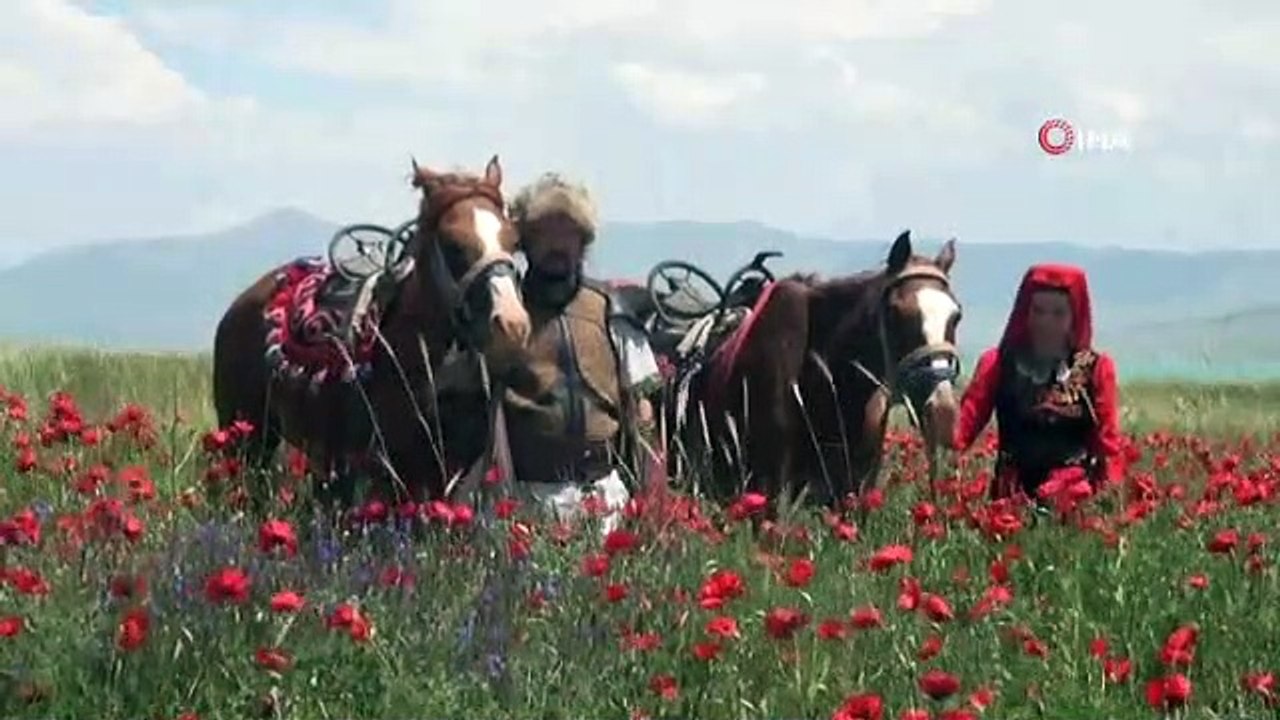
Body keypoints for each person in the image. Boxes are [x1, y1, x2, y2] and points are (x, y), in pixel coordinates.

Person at [499, 172, 662, 533]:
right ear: (526, 240)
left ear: (583, 239)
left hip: (605, 497)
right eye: (545, 232)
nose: (558, 244)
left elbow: (642, 404)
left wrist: (654, 496)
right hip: (529, 500)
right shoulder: (507, 313)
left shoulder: (609, 309)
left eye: (568, 232)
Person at [952, 263, 1124, 502]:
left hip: (1072, 500)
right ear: (1026, 313)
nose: (1046, 322)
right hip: (1010, 501)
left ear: (1074, 317)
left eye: (1058, 314)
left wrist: (1110, 499)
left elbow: (1108, 444)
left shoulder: (1096, 368)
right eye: (1038, 311)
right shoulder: (997, 363)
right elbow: (962, 431)